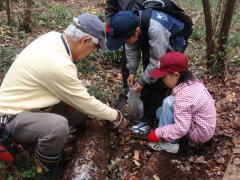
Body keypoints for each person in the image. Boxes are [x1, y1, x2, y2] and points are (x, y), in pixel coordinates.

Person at [0, 14, 123, 177]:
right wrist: (115, 116)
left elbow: (77, 98)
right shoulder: (57, 64)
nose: (92, 52)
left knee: (78, 114)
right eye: (94, 47)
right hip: (10, 117)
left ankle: (43, 142)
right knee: (57, 126)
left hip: (28, 104)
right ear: (85, 40)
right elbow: (85, 102)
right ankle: (45, 168)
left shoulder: (52, 38)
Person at [107, 9, 186, 133]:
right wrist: (132, 71)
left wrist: (143, 82)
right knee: (149, 75)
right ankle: (145, 114)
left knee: (161, 81)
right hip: (154, 43)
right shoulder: (132, 26)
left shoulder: (156, 29)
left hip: (171, 44)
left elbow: (157, 63)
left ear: (137, 31)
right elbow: (131, 47)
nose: (124, 43)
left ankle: (152, 119)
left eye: (125, 40)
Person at [147, 52, 216, 154]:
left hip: (198, 132)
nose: (161, 80)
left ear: (176, 75)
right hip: (206, 127)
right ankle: (167, 133)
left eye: (163, 77)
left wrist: (157, 133)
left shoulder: (184, 97)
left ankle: (170, 143)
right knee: (160, 111)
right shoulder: (192, 81)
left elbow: (181, 128)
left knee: (168, 102)